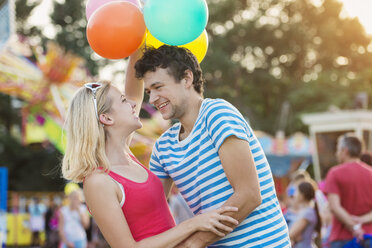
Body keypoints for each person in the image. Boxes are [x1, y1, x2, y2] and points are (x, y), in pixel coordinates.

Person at [61, 50, 239, 248]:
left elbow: (133, 90)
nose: (133, 104)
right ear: (107, 118)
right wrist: (191, 225)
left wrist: (137, 41)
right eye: (122, 101)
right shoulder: (98, 181)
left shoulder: (126, 155)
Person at [134, 45, 291, 247]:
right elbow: (152, 213)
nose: (152, 99)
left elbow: (249, 195)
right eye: (148, 91)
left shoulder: (216, 113)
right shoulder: (163, 147)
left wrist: (194, 243)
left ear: (187, 79)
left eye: (158, 87)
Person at [324, 134, 372, 248]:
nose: (336, 154)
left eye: (338, 150)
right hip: (368, 235)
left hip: (342, 237)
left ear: (344, 151)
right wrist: (361, 220)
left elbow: (334, 207)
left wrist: (354, 226)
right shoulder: (370, 173)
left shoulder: (335, 173)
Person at [289, 180, 321, 247]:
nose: (294, 194)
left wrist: (295, 237)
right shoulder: (305, 211)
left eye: (297, 191)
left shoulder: (308, 213)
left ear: (302, 195)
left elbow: (291, 234)